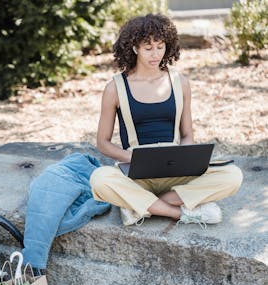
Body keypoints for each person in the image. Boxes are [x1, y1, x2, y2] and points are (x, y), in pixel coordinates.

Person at [89, 14, 243, 227]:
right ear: (134, 48)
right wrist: (133, 157)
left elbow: (187, 134)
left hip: (176, 169)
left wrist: (187, 158)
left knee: (232, 176)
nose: (155, 54)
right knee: (100, 179)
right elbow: (103, 143)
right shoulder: (114, 88)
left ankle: (142, 206)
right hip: (137, 173)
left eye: (160, 46)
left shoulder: (181, 82)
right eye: (148, 48)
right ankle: (181, 213)